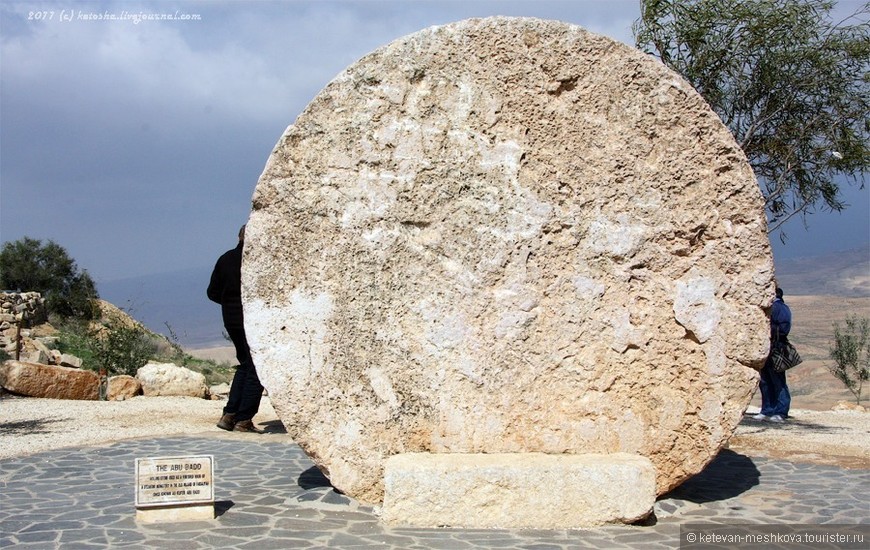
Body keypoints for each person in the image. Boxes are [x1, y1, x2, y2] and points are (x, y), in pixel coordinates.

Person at [208, 224, 265, 433]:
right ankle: (244, 419)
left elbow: (212, 292)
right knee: (258, 368)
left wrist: (229, 304)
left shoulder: (225, 258)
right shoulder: (255, 262)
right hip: (251, 320)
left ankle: (229, 414)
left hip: (230, 320)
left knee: (245, 363)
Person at [754, 287, 792, 423]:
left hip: (776, 348)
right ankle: (767, 409)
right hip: (767, 347)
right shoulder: (774, 307)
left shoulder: (780, 308)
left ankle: (781, 411)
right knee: (765, 380)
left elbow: (783, 329)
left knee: (778, 380)